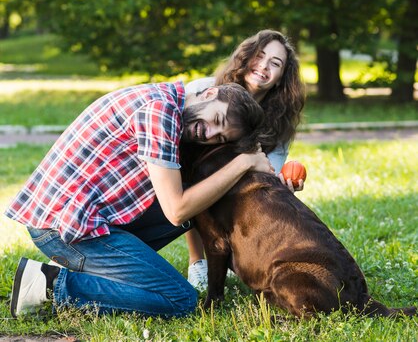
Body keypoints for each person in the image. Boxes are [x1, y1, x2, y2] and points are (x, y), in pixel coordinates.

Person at [5, 80, 273, 318]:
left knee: (201, 202)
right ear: (209, 93)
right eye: (217, 119)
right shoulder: (160, 113)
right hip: (62, 230)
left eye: (220, 137)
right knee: (180, 299)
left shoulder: (168, 102)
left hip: (84, 218)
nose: (210, 133)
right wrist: (245, 163)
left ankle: (90, 270)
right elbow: (176, 210)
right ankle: (50, 285)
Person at [185, 29, 306, 289]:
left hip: (239, 185)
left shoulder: (279, 121)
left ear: (280, 79)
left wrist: (283, 185)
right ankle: (197, 262)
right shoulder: (205, 89)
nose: (264, 66)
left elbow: (267, 173)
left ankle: (234, 256)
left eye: (275, 64)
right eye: (259, 56)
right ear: (245, 57)